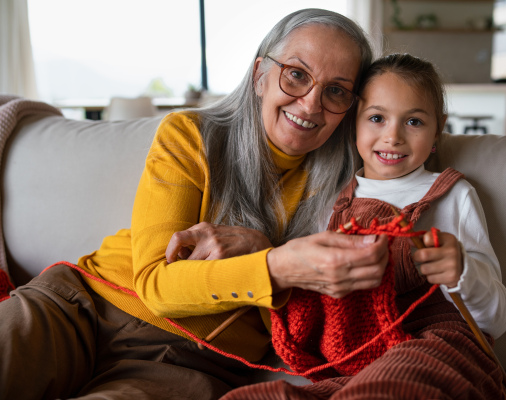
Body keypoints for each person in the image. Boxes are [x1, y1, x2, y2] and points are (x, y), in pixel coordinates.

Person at [0, 9, 388, 400]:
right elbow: (155, 284)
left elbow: (315, 328)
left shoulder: (353, 190)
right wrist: (277, 266)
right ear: (259, 76)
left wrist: (264, 251)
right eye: (297, 75)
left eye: (336, 90)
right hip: (82, 305)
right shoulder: (190, 136)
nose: (310, 104)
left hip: (191, 363)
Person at [221, 53, 506, 399]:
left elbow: (497, 319)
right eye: (377, 118)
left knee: (389, 385)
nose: (393, 137)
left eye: (414, 122)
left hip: (439, 345)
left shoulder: (453, 195)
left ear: (438, 129)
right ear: (352, 125)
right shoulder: (330, 199)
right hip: (360, 360)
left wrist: (463, 271)